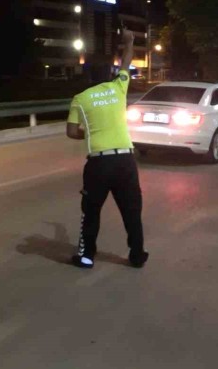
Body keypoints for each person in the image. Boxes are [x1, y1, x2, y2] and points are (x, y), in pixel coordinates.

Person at [66, 28, 148, 269]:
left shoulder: (80, 98)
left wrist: (92, 133)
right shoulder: (118, 87)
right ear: (109, 74)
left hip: (99, 164)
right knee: (132, 210)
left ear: (88, 75)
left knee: (91, 211)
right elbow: (126, 62)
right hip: (125, 161)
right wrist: (129, 41)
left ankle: (86, 256)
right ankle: (136, 256)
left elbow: (71, 131)